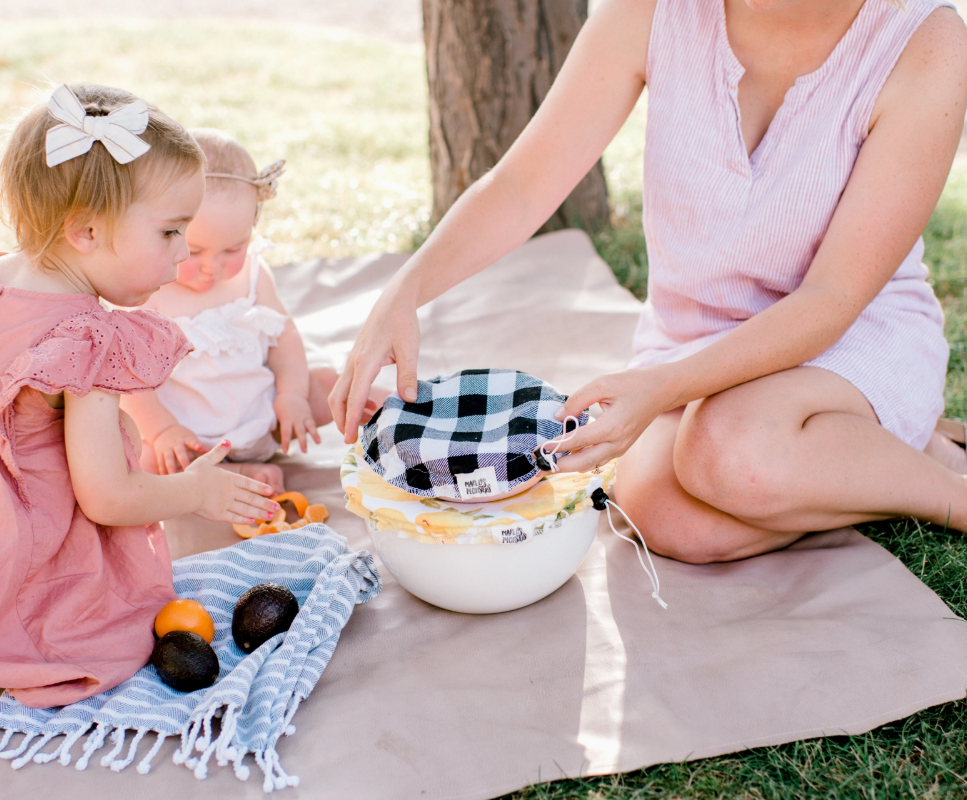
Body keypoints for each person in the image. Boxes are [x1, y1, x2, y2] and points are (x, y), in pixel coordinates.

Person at [330, 0, 967, 563]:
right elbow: (522, 187)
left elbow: (832, 298)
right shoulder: (651, 11)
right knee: (658, 513)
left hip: (850, 337)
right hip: (696, 339)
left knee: (730, 449)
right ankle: (864, 455)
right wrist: (405, 289)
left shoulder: (925, 43)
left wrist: (657, 390)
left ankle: (943, 486)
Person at [0, 85, 280, 708]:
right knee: (106, 629)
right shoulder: (87, 340)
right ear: (86, 231)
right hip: (24, 550)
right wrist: (196, 492)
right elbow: (106, 496)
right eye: (171, 232)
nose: (183, 255)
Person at [122, 129, 384, 495]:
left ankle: (404, 414)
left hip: (265, 416)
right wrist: (162, 429)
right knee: (138, 457)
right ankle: (236, 473)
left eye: (234, 248)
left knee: (327, 383)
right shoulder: (145, 291)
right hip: (187, 434)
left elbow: (284, 339)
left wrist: (291, 396)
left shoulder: (254, 276)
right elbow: (131, 379)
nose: (213, 266)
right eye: (195, 251)